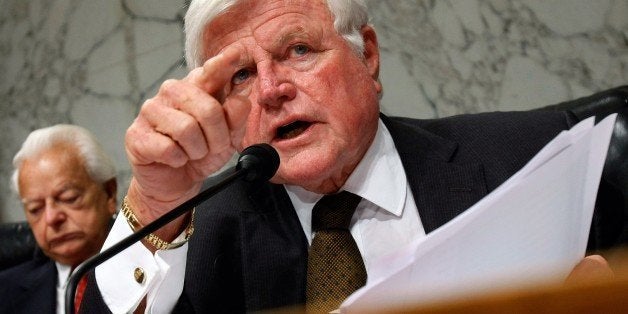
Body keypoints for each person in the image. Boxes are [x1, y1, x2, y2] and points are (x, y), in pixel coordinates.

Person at [82, 0, 617, 313]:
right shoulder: (198, 239)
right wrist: (154, 203)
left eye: (298, 51)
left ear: (369, 56)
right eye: (240, 74)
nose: (270, 90)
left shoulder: (532, 157)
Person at [0, 124, 118, 314]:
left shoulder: (159, 273)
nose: (51, 218)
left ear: (109, 193)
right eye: (35, 209)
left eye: (69, 198)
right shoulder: (5, 294)